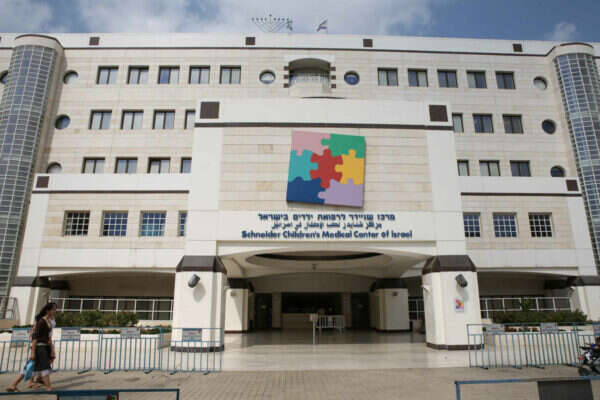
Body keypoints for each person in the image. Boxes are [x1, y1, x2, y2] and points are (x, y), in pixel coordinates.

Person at [6, 302, 57, 392]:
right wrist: (33, 352)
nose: (54, 311)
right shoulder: (41, 321)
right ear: (47, 310)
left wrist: (51, 348)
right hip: (40, 348)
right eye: (53, 309)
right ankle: (48, 388)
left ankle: (13, 385)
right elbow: (35, 337)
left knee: (30, 366)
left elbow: (48, 337)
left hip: (45, 347)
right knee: (44, 367)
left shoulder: (48, 321)